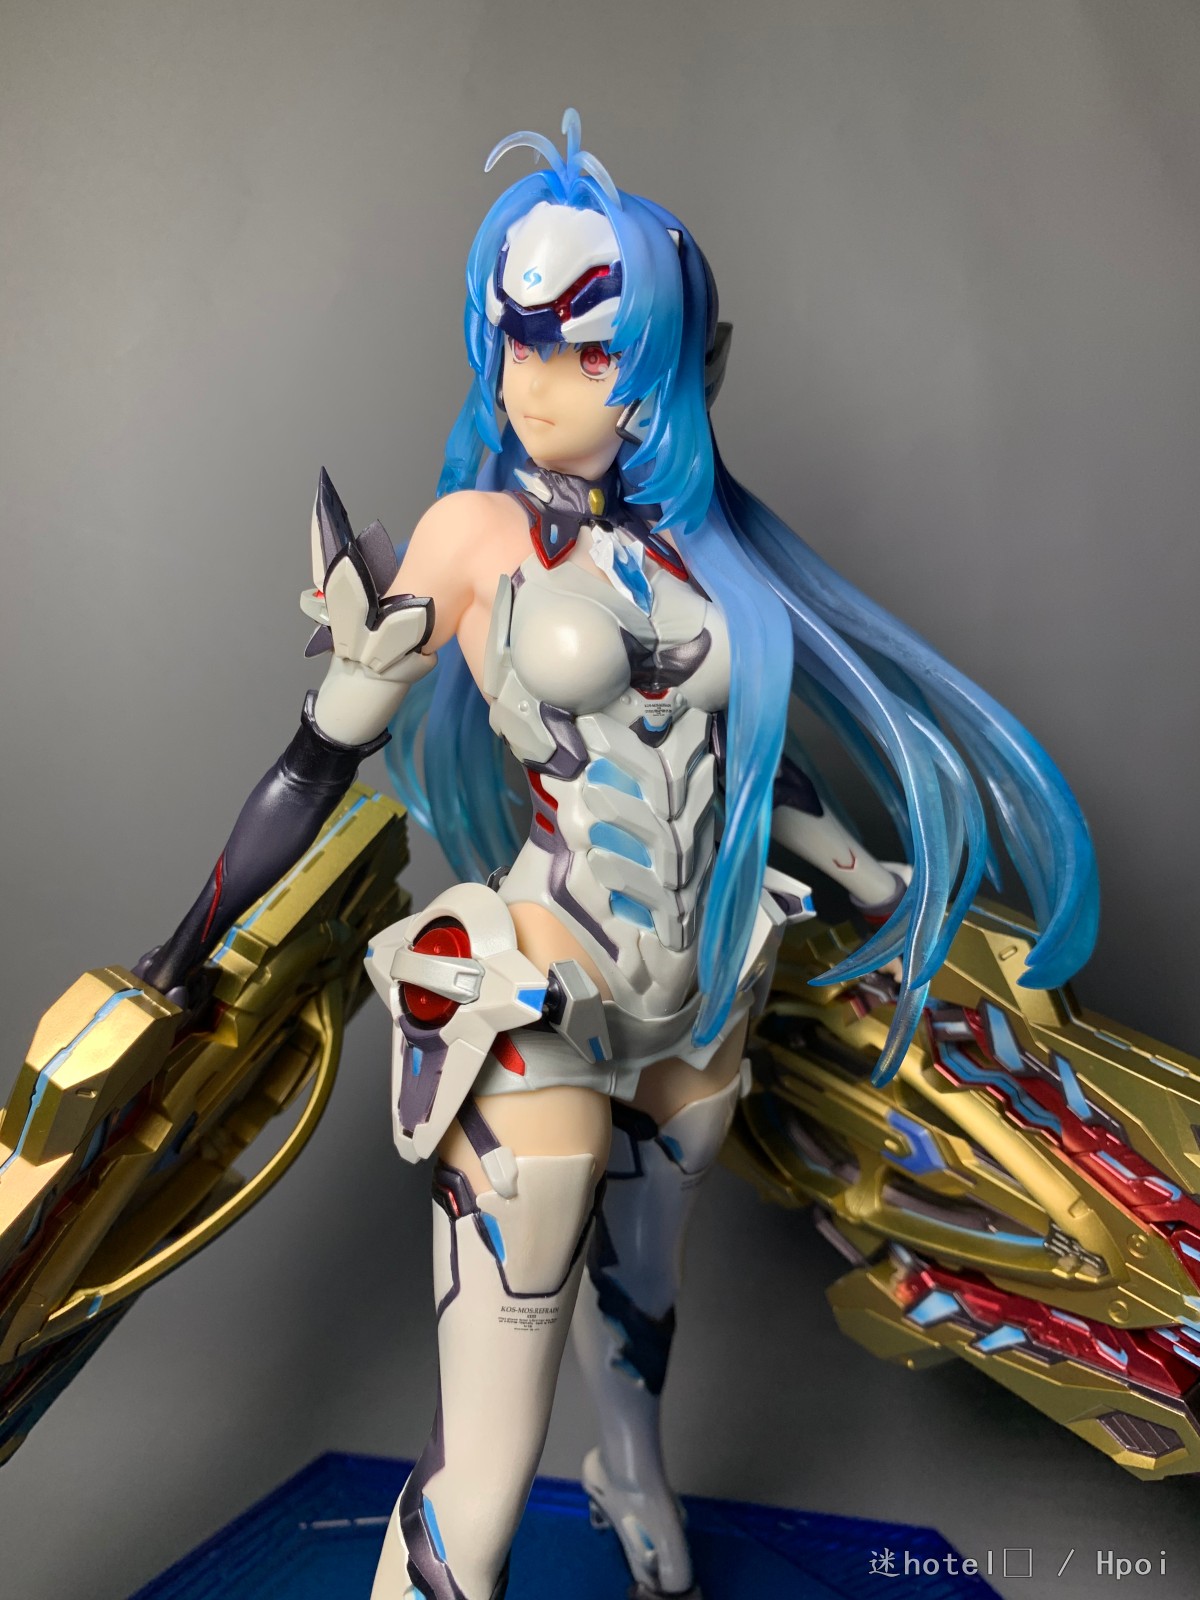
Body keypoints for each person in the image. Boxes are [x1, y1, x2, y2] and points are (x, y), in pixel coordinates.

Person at [139, 111, 1098, 1600]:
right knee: (488, 1451)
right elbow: (318, 757)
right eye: (514, 342)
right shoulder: (472, 537)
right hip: (538, 993)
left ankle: (633, 1472)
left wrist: (870, 882)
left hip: (698, 1000)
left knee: (643, 1306)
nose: (533, 384)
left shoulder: (707, 550)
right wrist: (183, 947)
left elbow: (742, 768)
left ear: (674, 360)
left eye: (585, 348)